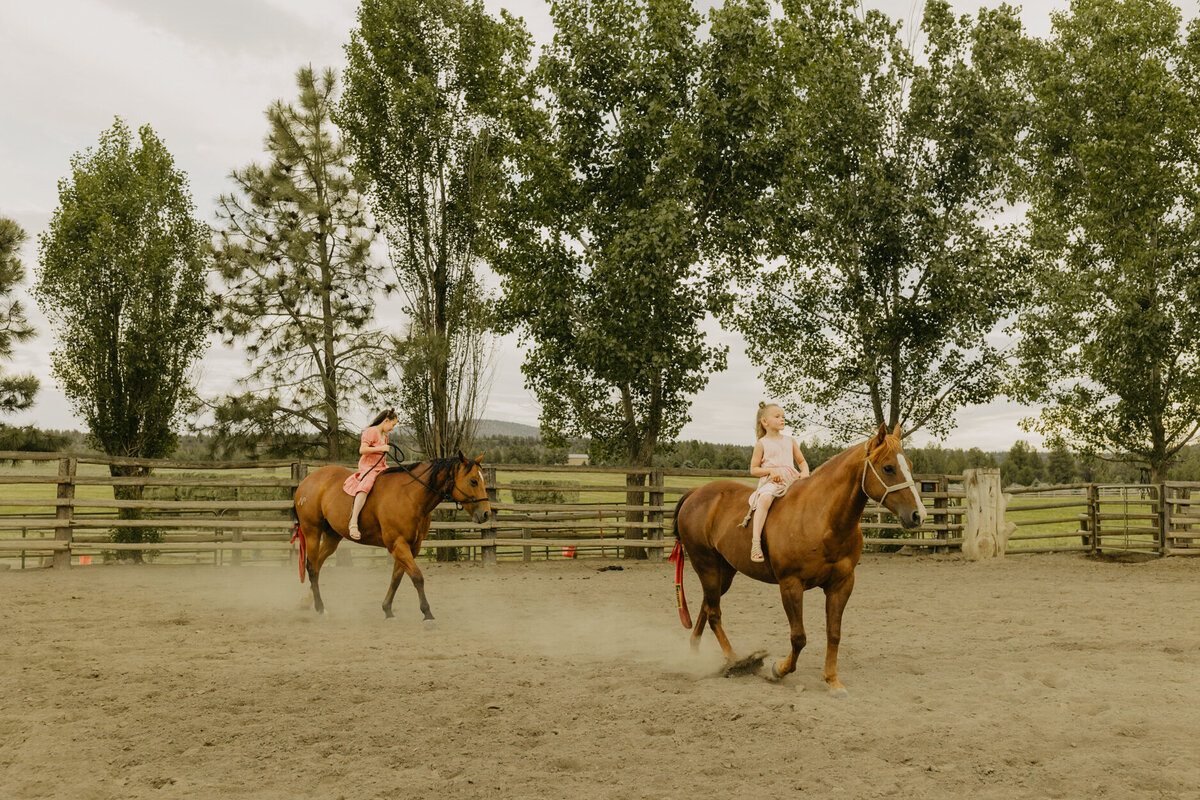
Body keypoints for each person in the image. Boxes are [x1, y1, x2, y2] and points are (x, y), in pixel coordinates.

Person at [745, 402, 810, 562]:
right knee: (765, 499)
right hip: (771, 482)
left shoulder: (790, 441)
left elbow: (801, 461)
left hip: (792, 480)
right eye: (777, 416)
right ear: (765, 422)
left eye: (783, 417)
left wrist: (805, 472)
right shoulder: (762, 444)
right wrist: (771, 471)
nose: (782, 419)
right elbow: (753, 469)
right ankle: (756, 542)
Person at [343, 409, 399, 540]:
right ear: (386, 421)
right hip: (369, 468)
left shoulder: (385, 437)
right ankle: (353, 520)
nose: (392, 428)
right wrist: (381, 448)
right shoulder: (370, 432)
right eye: (392, 425)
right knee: (366, 486)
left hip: (381, 467)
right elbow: (362, 449)